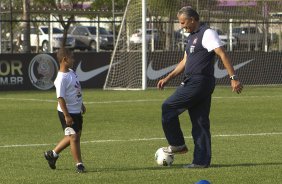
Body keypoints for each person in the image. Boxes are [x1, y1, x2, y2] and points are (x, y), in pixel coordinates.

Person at [157, 6, 243, 168]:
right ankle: (200, 162)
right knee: (200, 122)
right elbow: (185, 61)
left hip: (199, 82)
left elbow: (222, 53)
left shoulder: (207, 33)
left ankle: (177, 145)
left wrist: (233, 78)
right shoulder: (191, 37)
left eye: (183, 22)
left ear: (192, 19)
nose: (182, 25)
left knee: (168, 107)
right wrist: (168, 77)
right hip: (197, 82)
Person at [44, 47, 86, 173]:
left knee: (75, 135)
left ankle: (52, 154)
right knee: (74, 137)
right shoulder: (61, 79)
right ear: (64, 59)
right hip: (67, 112)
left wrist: (81, 104)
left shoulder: (72, 72)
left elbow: (76, 89)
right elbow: (60, 98)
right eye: (71, 58)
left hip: (76, 110)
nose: (73, 60)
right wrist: (67, 115)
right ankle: (79, 164)